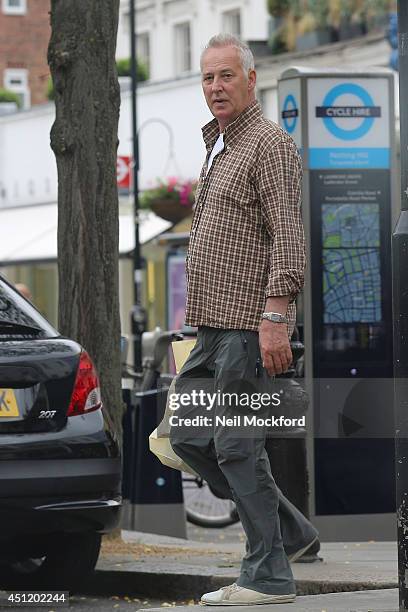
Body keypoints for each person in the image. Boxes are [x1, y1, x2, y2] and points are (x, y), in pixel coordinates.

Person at [170, 34, 317, 606]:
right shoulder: (222, 146)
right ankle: (293, 533)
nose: (215, 88)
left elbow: (287, 237)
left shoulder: (269, 144)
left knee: (236, 446)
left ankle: (268, 577)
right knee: (186, 435)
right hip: (210, 328)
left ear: (251, 79)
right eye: (207, 78)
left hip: (248, 327)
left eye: (226, 76)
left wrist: (276, 314)